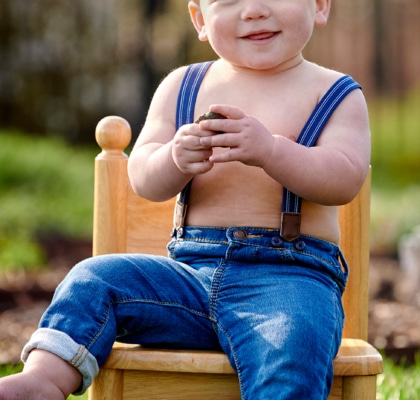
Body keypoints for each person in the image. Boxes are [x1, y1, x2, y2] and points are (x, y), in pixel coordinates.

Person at [0, 0, 370, 398]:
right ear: (199, 20)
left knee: (294, 338)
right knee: (94, 278)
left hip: (289, 280)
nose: (253, 11)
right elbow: (143, 177)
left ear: (319, 5)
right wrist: (175, 158)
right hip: (188, 279)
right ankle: (45, 378)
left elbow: (345, 178)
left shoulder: (335, 92)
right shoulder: (182, 86)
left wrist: (272, 151)